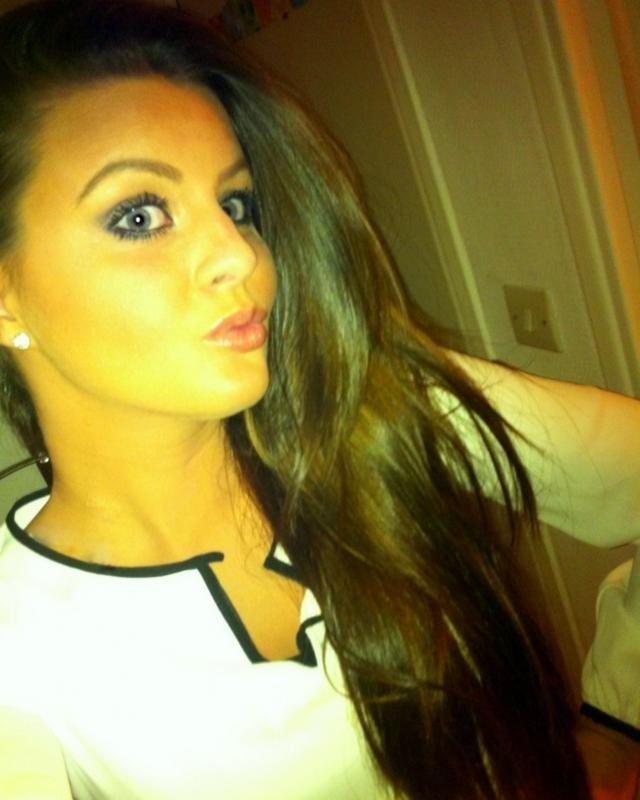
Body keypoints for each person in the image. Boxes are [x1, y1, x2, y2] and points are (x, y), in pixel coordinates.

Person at [0, 0, 637, 797]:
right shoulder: (20, 656)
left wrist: (617, 717)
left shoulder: (377, 411)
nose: (239, 255)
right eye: (139, 215)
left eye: (237, 205)